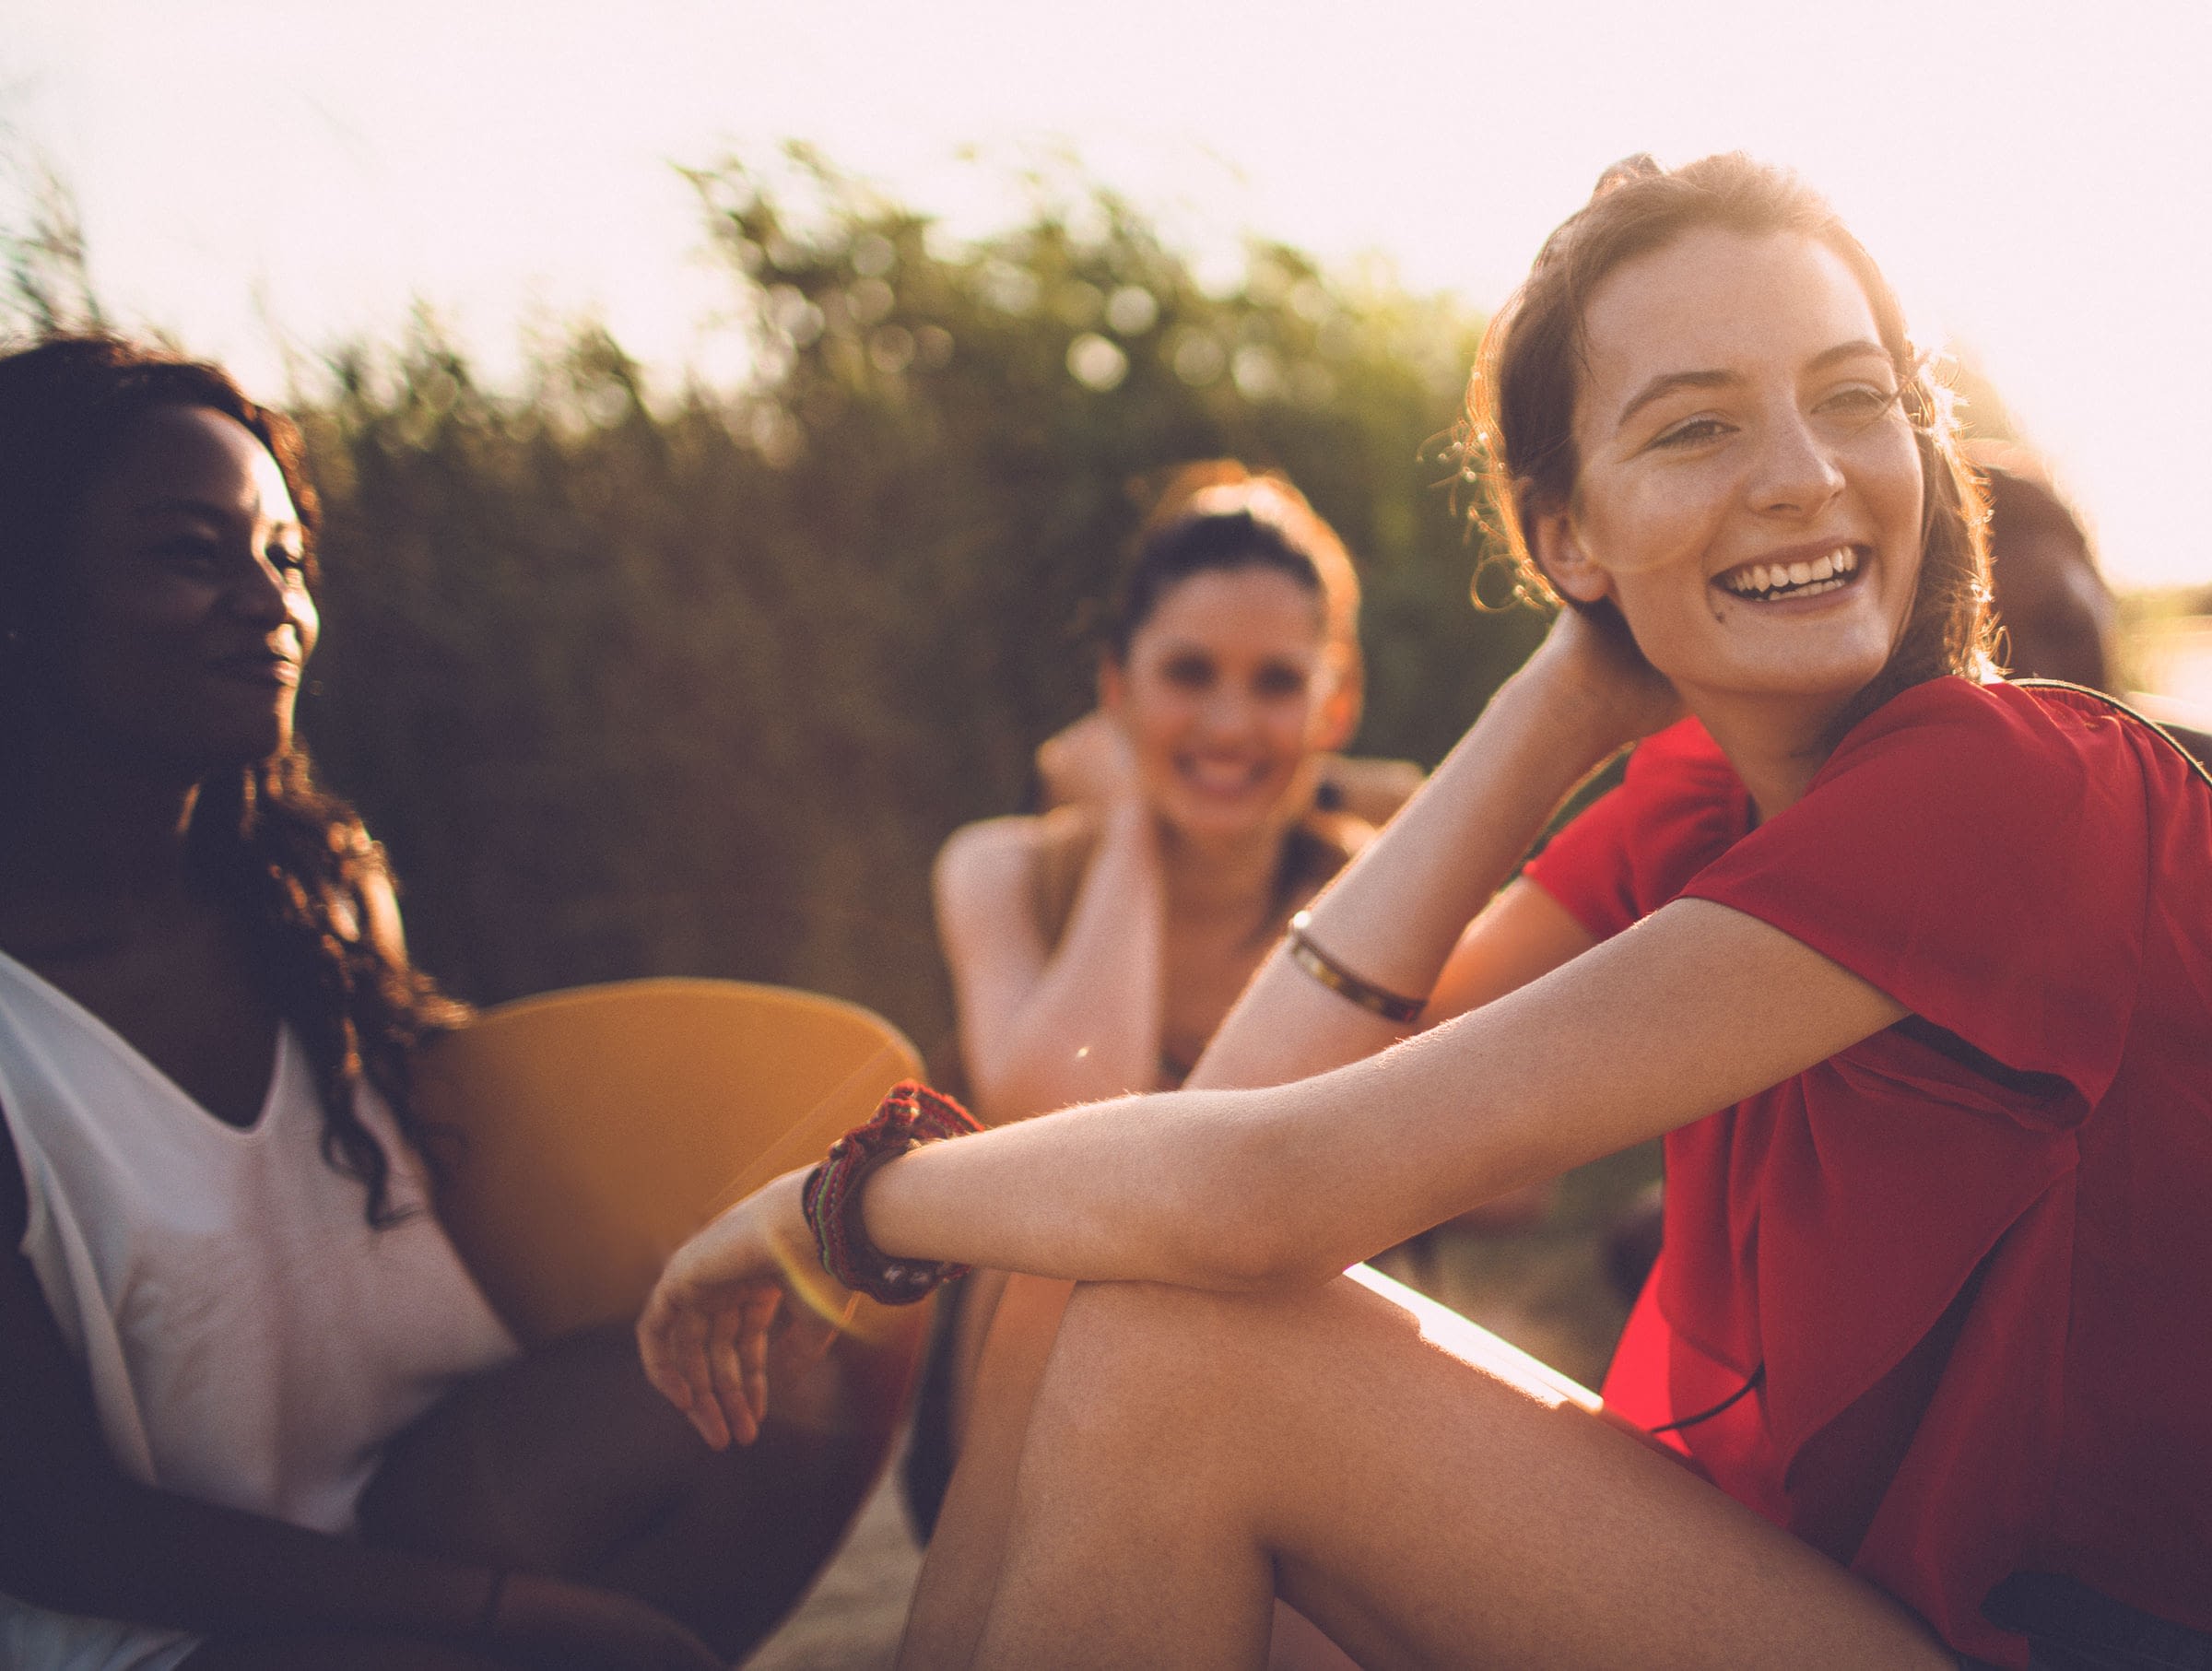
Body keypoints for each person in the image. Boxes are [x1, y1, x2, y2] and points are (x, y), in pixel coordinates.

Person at [641, 154, 2212, 1671]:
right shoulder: (1709, 802)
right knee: (1103, 1288)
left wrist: (839, 1205)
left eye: (1855, 395)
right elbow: (1254, 1107)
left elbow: (1271, 1184)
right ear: (1562, 534)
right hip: (1835, 1600)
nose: (1803, 472)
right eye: (1696, 428)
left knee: (1183, 1346)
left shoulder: (2008, 785)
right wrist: (1557, 699)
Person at [0, 335, 889, 1670]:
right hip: (166, 1627)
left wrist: (789, 1182)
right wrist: (512, 1617)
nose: (272, 605)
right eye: (194, 553)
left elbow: (488, 1124)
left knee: (815, 1340)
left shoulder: (314, 892)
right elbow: (60, 1530)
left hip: (397, 1489)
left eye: (287, 558)